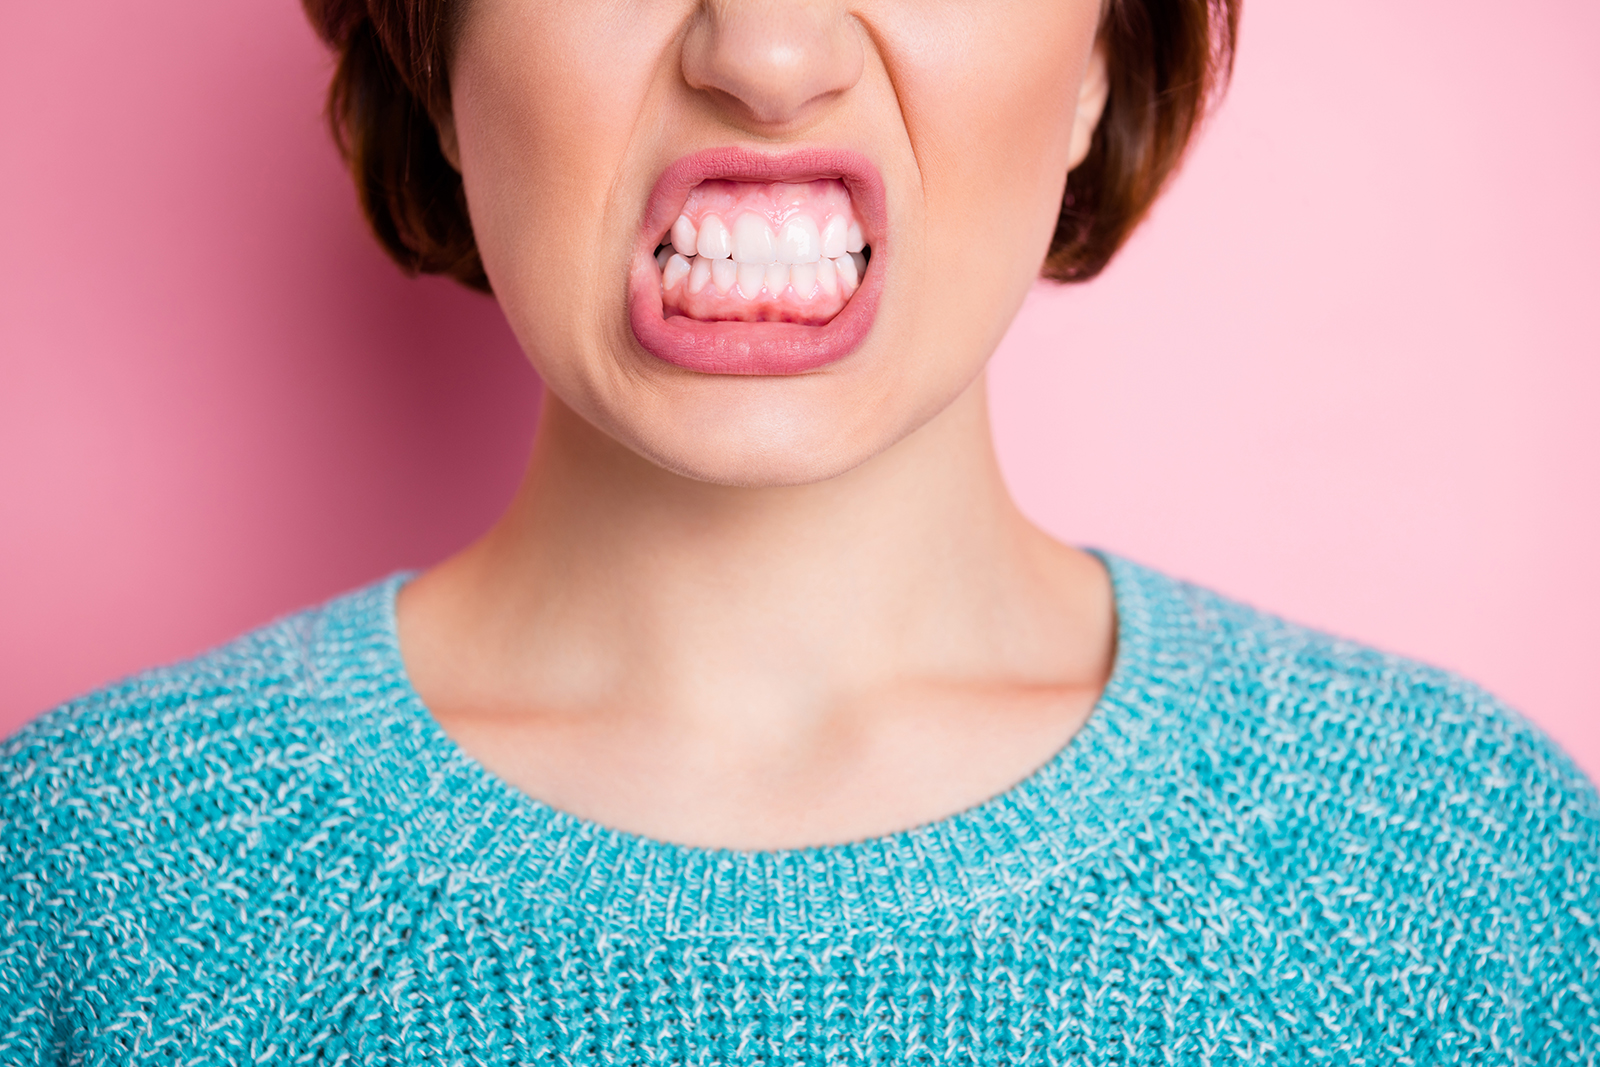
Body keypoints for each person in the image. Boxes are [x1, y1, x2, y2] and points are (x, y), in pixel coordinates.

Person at [2, 0, 1595, 1061]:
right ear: (438, 45)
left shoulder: (1468, 885)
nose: (765, 54)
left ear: (1106, 46)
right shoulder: (85, 887)